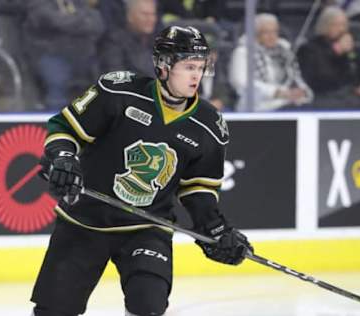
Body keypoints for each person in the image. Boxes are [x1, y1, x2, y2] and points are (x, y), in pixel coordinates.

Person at [31, 25, 253, 316]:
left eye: (200, 67)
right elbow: (65, 128)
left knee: (147, 305)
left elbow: (198, 188)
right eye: (188, 67)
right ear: (163, 66)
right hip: (84, 220)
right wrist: (63, 159)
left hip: (147, 228)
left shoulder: (209, 126)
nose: (196, 75)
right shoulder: (118, 92)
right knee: (55, 310)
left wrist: (215, 229)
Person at [23, 0, 104, 111]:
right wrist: (82, 20)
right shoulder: (39, 3)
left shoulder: (78, 2)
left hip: (82, 57)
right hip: (52, 55)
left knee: (96, 90)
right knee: (57, 86)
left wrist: (71, 20)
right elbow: (57, 22)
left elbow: (98, 24)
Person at [297, 6, 360, 108]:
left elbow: (359, 68)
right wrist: (335, 52)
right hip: (325, 96)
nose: (342, 29)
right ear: (325, 26)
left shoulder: (348, 47)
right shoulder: (310, 49)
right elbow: (316, 79)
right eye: (336, 25)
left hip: (350, 95)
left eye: (344, 25)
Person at [229, 13, 313, 112]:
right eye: (266, 32)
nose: (272, 36)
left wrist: (302, 91)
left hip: (288, 103)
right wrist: (275, 92)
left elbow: (296, 77)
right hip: (257, 106)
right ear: (256, 34)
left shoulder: (285, 50)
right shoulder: (243, 52)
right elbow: (241, 83)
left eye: (275, 32)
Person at [99, 0, 159, 77]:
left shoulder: (157, 41)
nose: (150, 19)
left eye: (153, 14)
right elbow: (116, 79)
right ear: (129, 16)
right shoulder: (114, 42)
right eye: (145, 14)